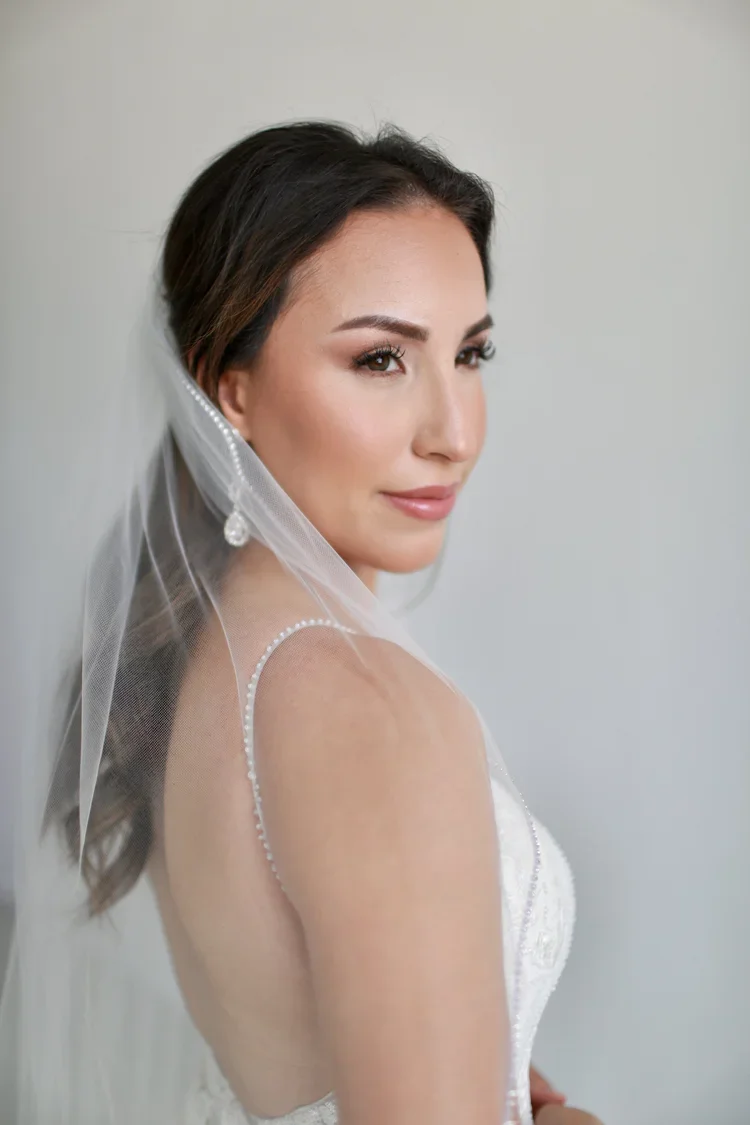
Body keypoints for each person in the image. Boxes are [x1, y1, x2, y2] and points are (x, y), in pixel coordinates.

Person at [0, 120, 596, 1125]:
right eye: (379, 360)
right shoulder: (365, 705)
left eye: (471, 353)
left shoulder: (200, 650)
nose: (453, 434)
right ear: (228, 389)